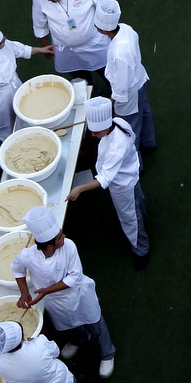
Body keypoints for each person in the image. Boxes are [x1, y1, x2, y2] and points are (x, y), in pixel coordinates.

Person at [12, 206, 118, 376]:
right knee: (68, 323)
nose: (64, 236)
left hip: (79, 295)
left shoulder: (69, 246)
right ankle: (79, 338)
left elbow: (74, 278)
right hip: (56, 302)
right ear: (50, 246)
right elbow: (17, 270)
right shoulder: (28, 255)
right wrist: (24, 293)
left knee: (95, 323)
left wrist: (46, 291)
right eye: (60, 236)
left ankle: (107, 353)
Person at [65, 98, 150, 266]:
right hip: (130, 175)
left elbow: (104, 179)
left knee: (130, 218)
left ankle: (141, 250)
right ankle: (144, 222)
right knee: (137, 205)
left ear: (105, 127)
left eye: (95, 132)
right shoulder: (118, 122)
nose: (93, 135)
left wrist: (79, 189)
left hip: (122, 185)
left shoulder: (116, 148)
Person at [0, 19, 54, 157]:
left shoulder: (5, 45)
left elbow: (20, 49)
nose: (5, 40)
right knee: (4, 128)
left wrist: (41, 50)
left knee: (25, 113)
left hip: (15, 86)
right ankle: (4, 156)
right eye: (2, 40)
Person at [30, 0, 115, 81]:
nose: (48, 0)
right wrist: (45, 47)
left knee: (110, 75)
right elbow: (39, 26)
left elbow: (107, 8)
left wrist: (111, 35)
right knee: (81, 82)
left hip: (95, 45)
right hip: (66, 52)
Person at [95, 2, 155, 150]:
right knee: (144, 112)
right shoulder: (126, 28)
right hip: (140, 80)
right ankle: (149, 142)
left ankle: (136, 166)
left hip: (129, 94)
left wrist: (111, 101)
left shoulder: (119, 52)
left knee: (128, 130)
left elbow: (122, 86)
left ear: (102, 30)